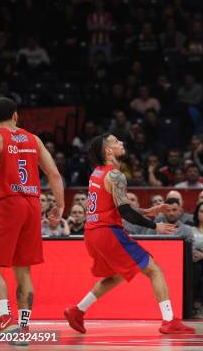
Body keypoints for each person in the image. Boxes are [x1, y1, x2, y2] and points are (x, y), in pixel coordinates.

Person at [63, 133, 195, 335]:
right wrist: (154, 226)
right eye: (116, 141)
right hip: (108, 232)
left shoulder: (97, 173)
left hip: (92, 234)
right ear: (108, 151)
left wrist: (145, 211)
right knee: (154, 270)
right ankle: (169, 320)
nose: (121, 143)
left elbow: (114, 207)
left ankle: (77, 311)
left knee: (115, 277)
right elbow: (125, 212)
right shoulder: (116, 175)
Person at [0, 97, 64, 345]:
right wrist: (60, 205)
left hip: (9, 203)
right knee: (23, 269)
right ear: (16, 116)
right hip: (32, 204)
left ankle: (4, 318)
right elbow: (53, 173)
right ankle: (23, 327)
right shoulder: (34, 139)